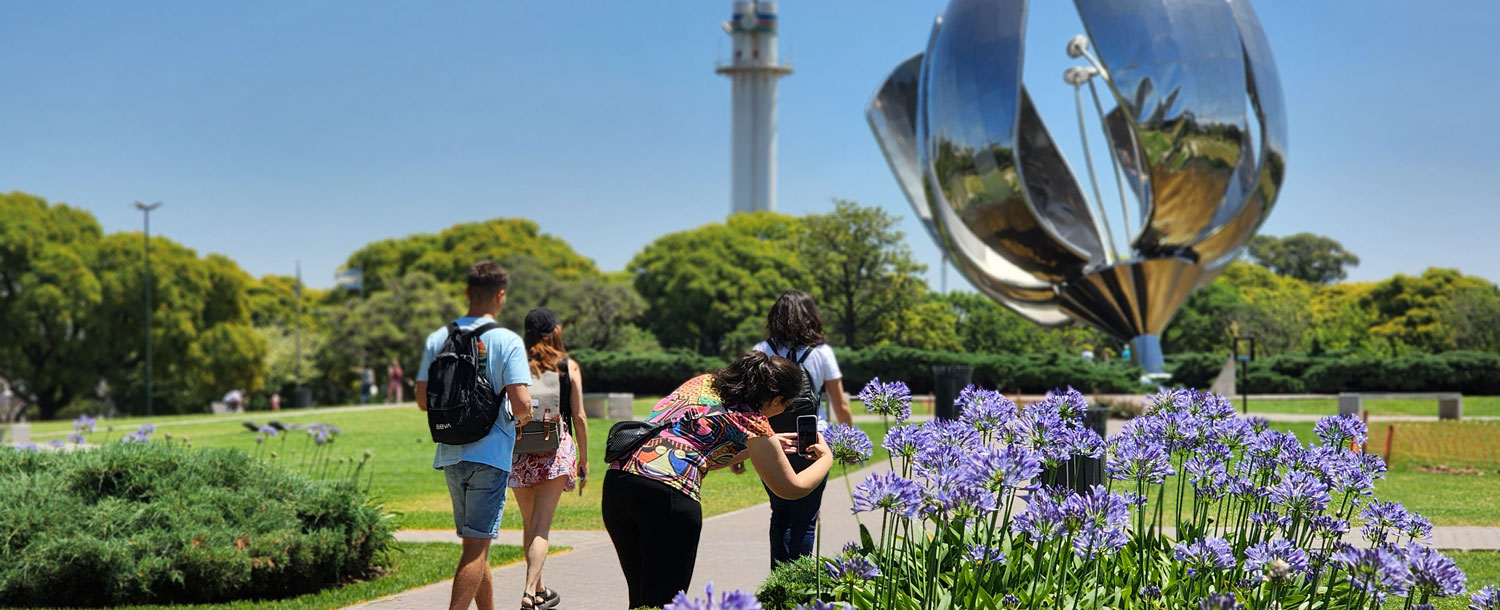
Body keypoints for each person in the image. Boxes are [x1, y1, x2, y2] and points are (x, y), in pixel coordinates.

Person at [602, 351, 833, 609]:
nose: (784, 412)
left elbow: (691, 445)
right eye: (786, 405)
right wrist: (826, 458)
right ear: (776, 398)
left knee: (643, 599)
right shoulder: (753, 421)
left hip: (618, 484)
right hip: (667, 497)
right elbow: (791, 488)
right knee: (664, 601)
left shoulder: (704, 382)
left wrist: (753, 448)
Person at [415, 261, 534, 610]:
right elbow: (522, 403)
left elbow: (423, 401)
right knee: (475, 548)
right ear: (501, 295)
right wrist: (520, 418)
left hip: (451, 451)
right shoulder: (507, 340)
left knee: (477, 543)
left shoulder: (438, 338)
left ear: (466, 293)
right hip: (491, 453)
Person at [749, 289, 853, 567]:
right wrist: (849, 441)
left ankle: (779, 584)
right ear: (812, 318)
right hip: (813, 440)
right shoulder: (822, 352)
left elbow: (748, 403)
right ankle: (799, 585)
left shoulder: (761, 350)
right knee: (806, 518)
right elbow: (840, 403)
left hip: (772, 440)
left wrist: (744, 449)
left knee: (780, 512)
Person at [509, 308, 587, 610]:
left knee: (529, 525)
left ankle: (540, 588)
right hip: (553, 449)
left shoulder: (515, 364)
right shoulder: (567, 365)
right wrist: (584, 458)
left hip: (518, 452)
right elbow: (579, 416)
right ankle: (530, 591)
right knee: (541, 528)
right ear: (555, 330)